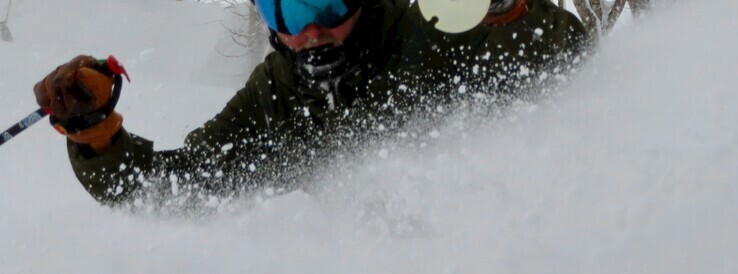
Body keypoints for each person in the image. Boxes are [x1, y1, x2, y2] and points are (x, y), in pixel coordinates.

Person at [34, 0, 587, 210]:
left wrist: (508, 10)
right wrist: (95, 132)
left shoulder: (429, 28)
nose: (312, 31)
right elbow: (172, 190)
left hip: (499, 249)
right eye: (288, 15)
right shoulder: (278, 91)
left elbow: (569, 52)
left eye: (326, 3)